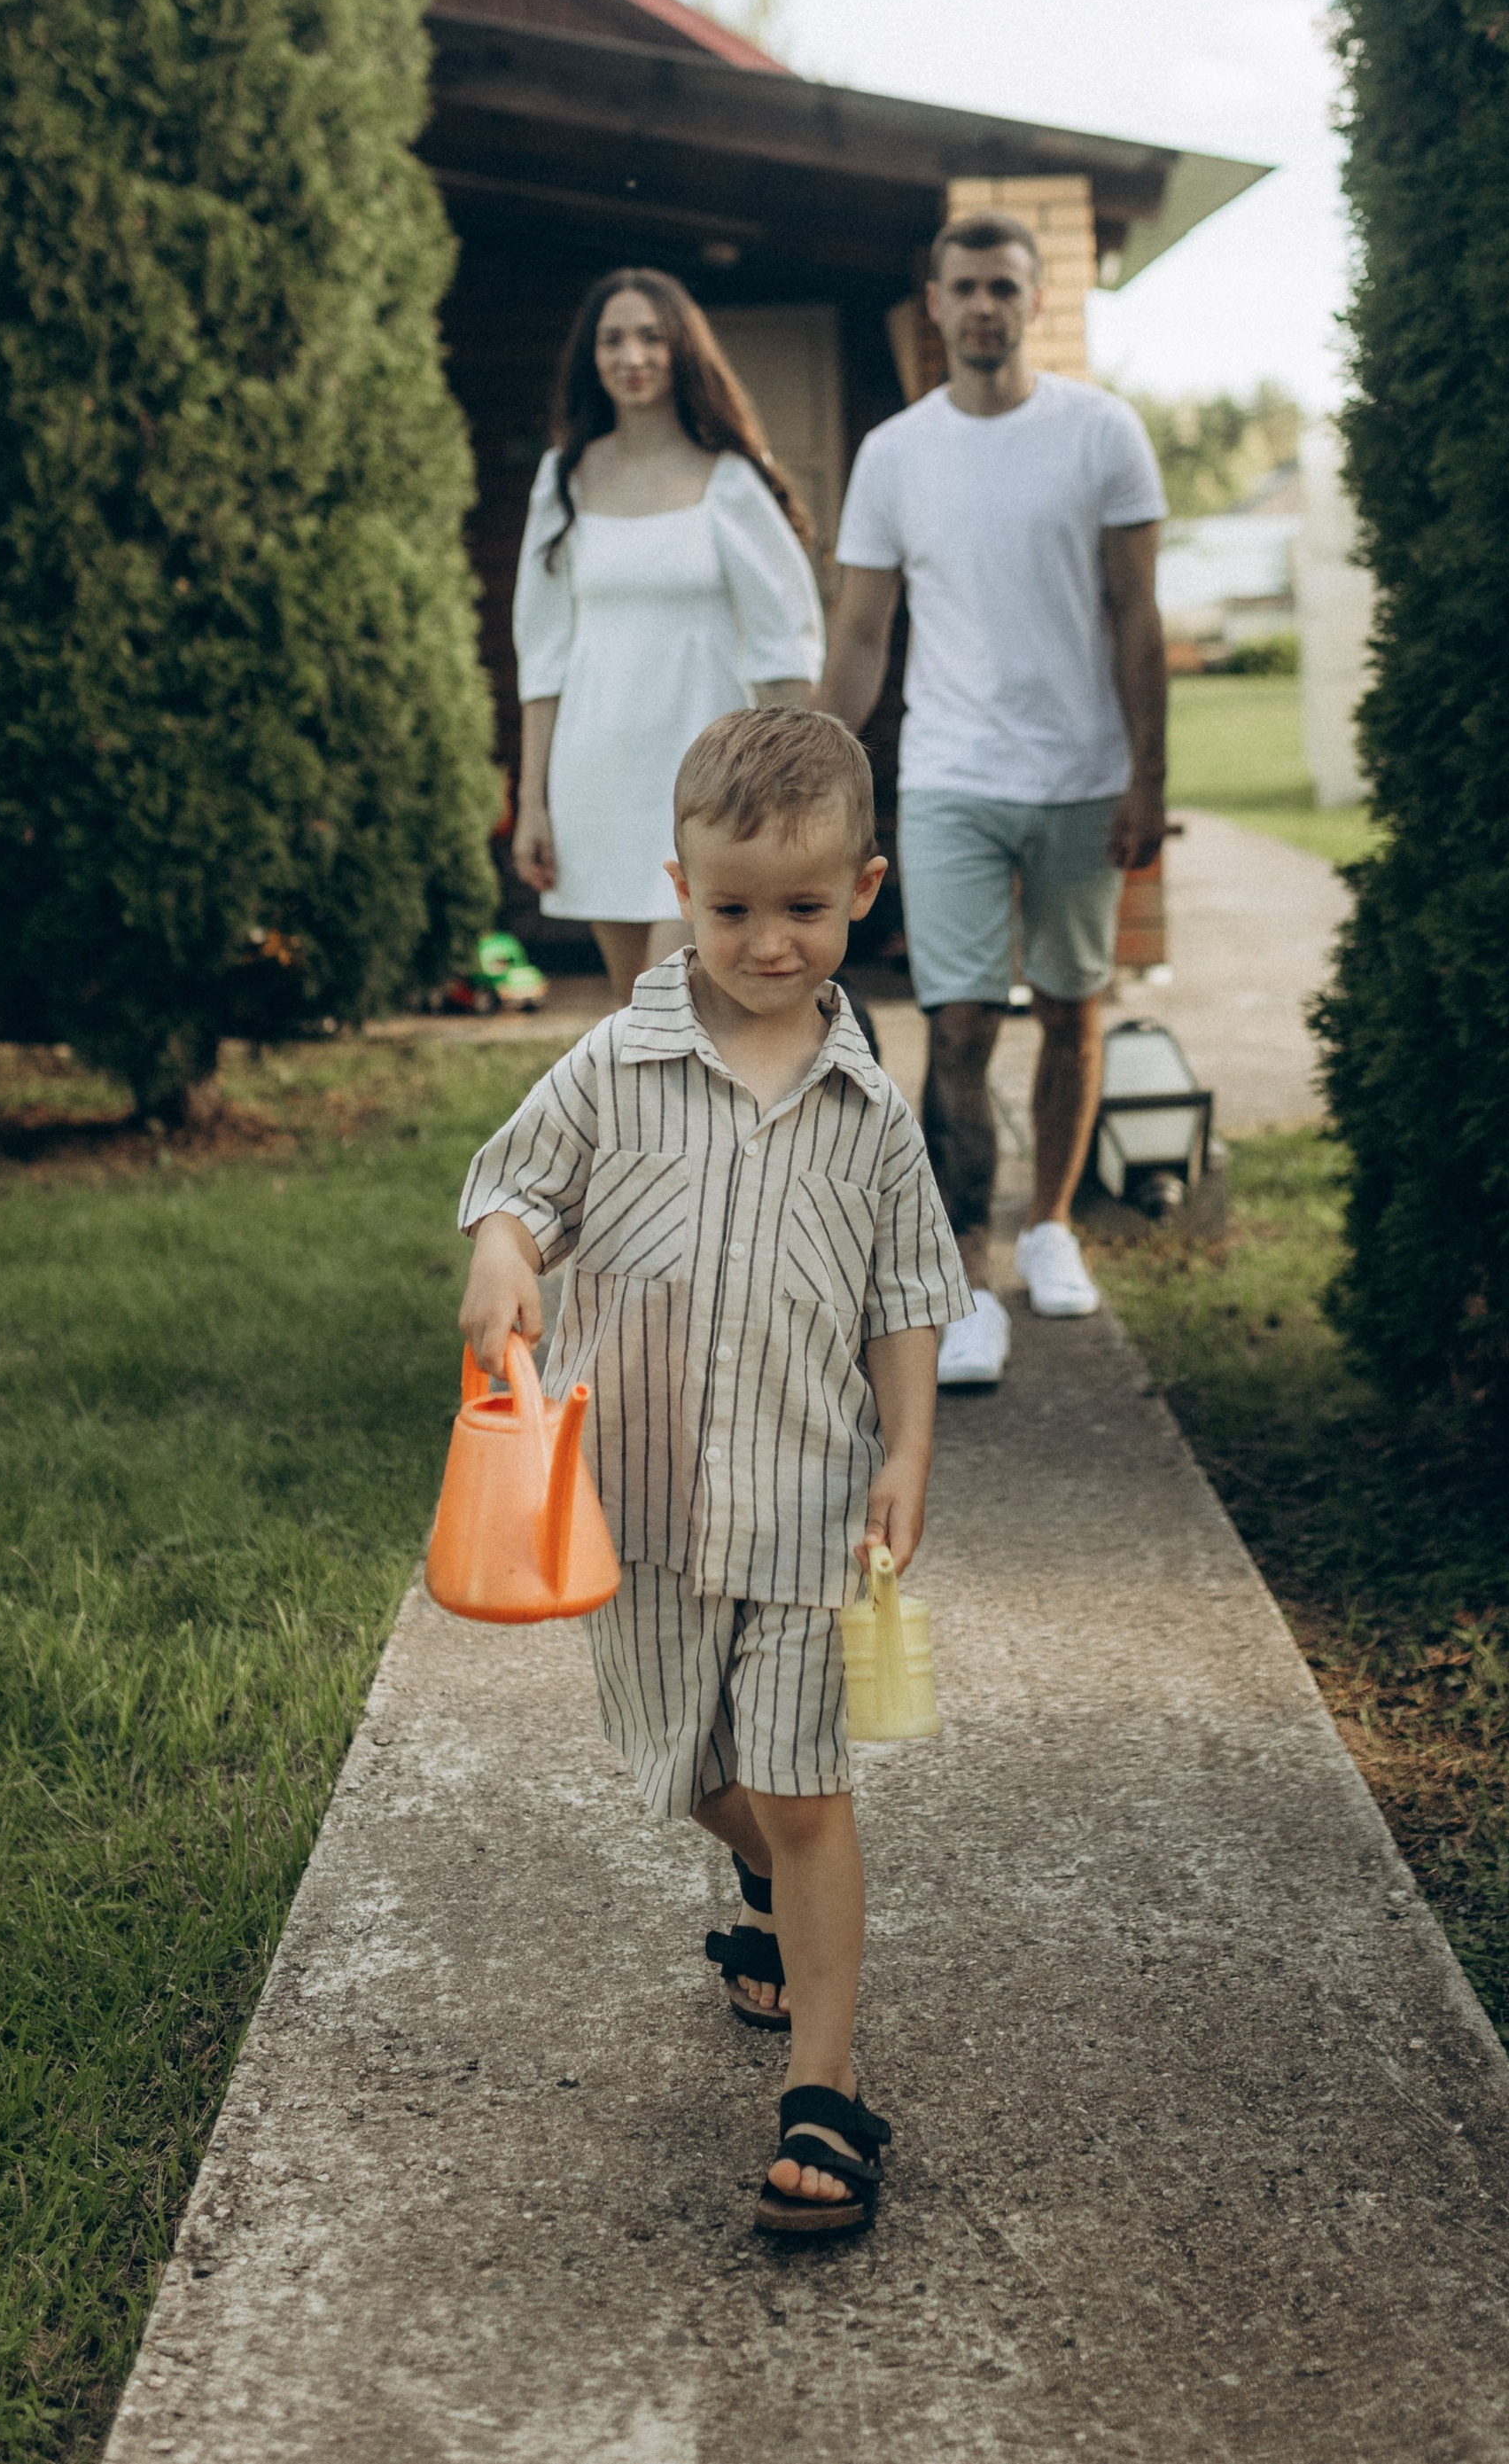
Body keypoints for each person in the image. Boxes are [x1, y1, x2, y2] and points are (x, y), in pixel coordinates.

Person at [458, 709, 969, 2239]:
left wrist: (912, 1450)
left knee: (805, 1786)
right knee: (688, 1768)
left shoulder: (870, 1114)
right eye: (732, 907)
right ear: (679, 884)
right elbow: (517, 1182)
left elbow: (905, 1296)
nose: (766, 942)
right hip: (644, 1501)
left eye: (803, 909)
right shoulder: (619, 1063)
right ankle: (764, 1889)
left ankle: (827, 2081)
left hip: (810, 1509)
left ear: (863, 889)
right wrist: (501, 1255)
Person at [822, 212, 1168, 1381]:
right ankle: (966, 1278)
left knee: (1073, 1006)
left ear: (1033, 297)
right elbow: (864, 632)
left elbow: (1138, 618)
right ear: (935, 300)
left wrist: (1145, 776)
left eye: (1002, 287)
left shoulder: (1103, 433)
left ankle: (1054, 1228)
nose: (982, 306)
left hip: (1079, 776)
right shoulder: (896, 454)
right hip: (952, 776)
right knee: (960, 1021)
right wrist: (828, 772)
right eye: (963, 287)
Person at [512, 267, 822, 1007]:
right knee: (639, 1020)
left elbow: (787, 647)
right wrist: (533, 801)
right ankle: (662, 1130)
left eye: (651, 337)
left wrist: (799, 792)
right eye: (612, 340)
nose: (632, 356)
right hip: (598, 780)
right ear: (591, 357)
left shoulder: (733, 479)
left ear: (683, 349)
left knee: (673, 999)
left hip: (709, 786)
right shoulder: (563, 479)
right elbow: (542, 653)